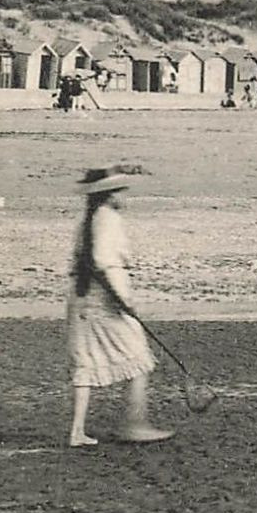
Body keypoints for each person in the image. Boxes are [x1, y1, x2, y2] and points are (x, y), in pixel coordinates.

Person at [66, 165, 173, 447]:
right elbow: (102, 262)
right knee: (138, 356)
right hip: (103, 299)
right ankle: (134, 425)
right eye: (118, 190)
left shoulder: (88, 219)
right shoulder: (107, 218)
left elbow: (84, 261)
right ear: (109, 194)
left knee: (85, 361)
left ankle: (77, 431)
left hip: (82, 297)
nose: (123, 195)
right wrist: (121, 300)